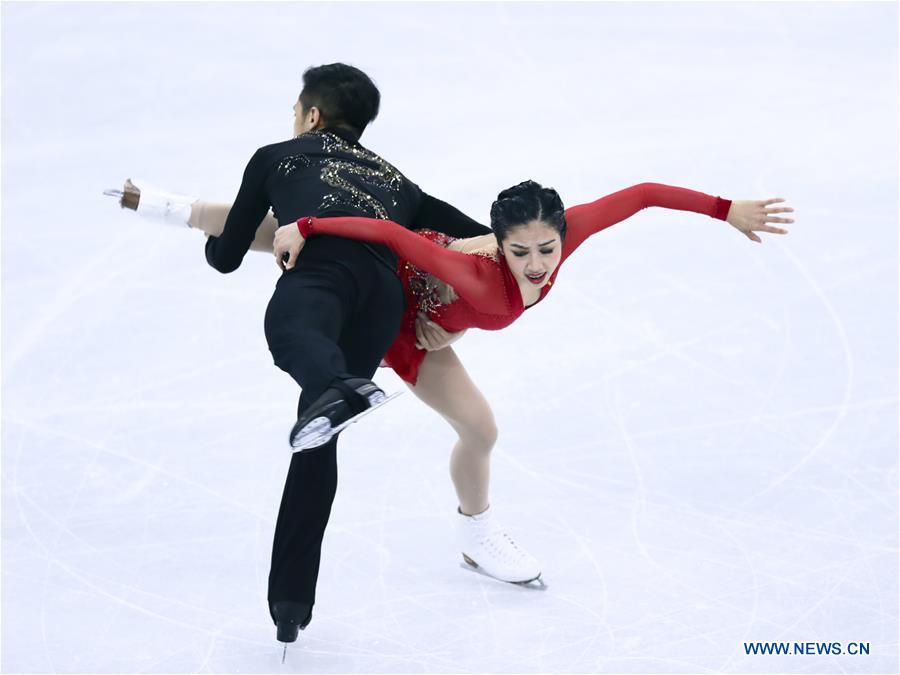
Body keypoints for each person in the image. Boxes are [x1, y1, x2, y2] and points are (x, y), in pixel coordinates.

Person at [112, 63, 512, 653]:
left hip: (326, 277)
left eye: (296, 112)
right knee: (316, 436)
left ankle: (335, 395)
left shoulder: (280, 155)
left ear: (312, 115)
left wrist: (208, 244)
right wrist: (451, 322)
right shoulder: (398, 181)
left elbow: (226, 257)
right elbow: (483, 241)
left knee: (288, 328)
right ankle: (291, 604)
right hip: (381, 300)